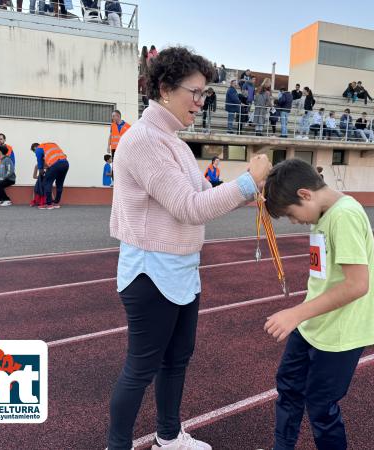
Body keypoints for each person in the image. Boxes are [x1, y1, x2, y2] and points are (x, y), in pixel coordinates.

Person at [107, 46, 272, 450]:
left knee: (177, 358)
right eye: (195, 93)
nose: (201, 103)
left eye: (205, 95)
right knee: (141, 368)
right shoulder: (144, 140)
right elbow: (189, 207)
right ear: (165, 89)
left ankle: (168, 436)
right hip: (150, 271)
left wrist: (252, 183)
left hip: (182, 267)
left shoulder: (176, 143)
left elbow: (205, 193)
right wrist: (248, 183)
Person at [263, 158, 374, 450]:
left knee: (320, 406)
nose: (294, 221)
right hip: (312, 324)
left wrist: (295, 313)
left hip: (340, 333)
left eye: (291, 213)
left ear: (305, 194)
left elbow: (356, 284)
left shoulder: (344, 215)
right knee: (288, 389)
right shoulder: (322, 214)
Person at [30, 142, 69, 209]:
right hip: (65, 163)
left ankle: (49, 204)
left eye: (34, 152)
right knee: (59, 184)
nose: (35, 153)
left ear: (35, 148)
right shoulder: (52, 144)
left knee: (47, 183)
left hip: (55, 164)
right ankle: (56, 203)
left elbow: (39, 161)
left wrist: (41, 171)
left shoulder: (38, 149)